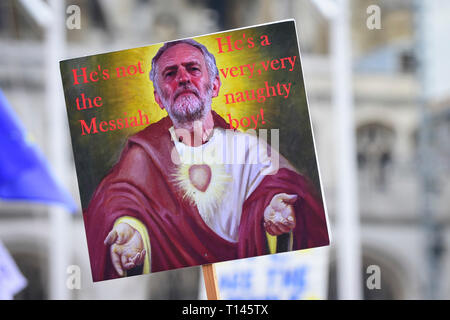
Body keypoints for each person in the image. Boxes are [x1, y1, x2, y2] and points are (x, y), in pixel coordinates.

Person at [85, 39, 329, 281]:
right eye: (170, 73)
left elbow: (287, 188)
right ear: (158, 98)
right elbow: (117, 201)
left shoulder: (249, 149)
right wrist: (132, 229)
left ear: (214, 86)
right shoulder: (143, 155)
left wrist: (275, 205)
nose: (182, 78)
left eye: (192, 69)